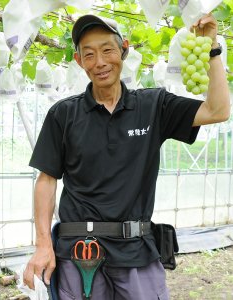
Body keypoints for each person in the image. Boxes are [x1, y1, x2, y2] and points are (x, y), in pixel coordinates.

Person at [24, 13, 230, 300]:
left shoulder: (153, 106)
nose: (100, 62)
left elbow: (217, 111)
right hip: (78, 252)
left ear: (124, 48)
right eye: (89, 54)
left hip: (136, 250)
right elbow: (46, 180)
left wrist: (213, 49)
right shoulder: (63, 114)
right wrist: (43, 245)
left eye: (107, 50)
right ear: (79, 61)